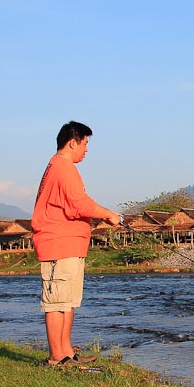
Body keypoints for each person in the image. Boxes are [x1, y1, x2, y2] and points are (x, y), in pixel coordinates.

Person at [32, 121, 121, 367]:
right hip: (58, 244)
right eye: (85, 143)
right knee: (57, 303)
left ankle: (67, 351)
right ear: (73, 142)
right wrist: (109, 215)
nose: (87, 149)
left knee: (68, 302)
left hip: (69, 246)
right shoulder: (62, 167)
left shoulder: (63, 167)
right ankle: (57, 357)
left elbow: (77, 202)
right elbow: (79, 204)